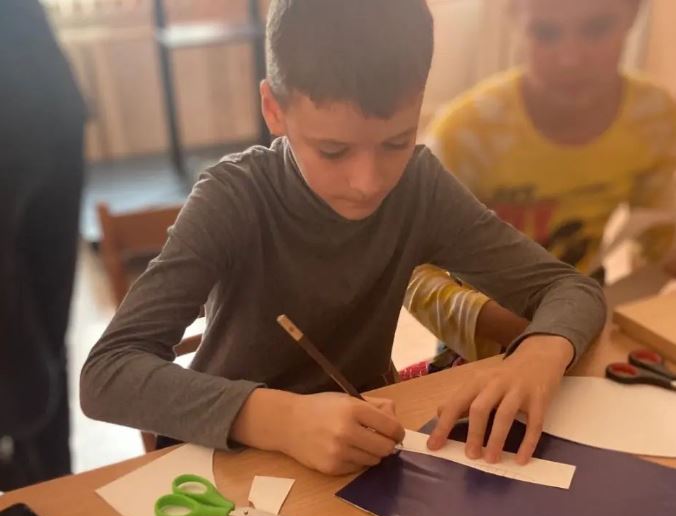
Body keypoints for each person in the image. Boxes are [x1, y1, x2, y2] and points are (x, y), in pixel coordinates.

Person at [81, 0, 605, 475]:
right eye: (333, 151)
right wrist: (283, 420)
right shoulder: (233, 198)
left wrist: (538, 355)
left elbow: (570, 289)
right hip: (226, 461)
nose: (368, 182)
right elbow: (107, 373)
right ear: (274, 110)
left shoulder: (418, 187)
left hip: (362, 449)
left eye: (397, 142)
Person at [406, 0, 676, 362]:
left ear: (633, 14)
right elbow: (410, 269)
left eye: (596, 29)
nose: (570, 59)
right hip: (482, 333)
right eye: (546, 33)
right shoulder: (465, 134)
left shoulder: (653, 117)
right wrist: (524, 331)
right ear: (514, 18)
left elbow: (659, 240)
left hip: (583, 313)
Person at [0, 0, 86, 489]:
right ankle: (52, 495)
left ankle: (51, 495)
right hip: (45, 95)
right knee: (40, 345)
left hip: (39, 104)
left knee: (37, 352)